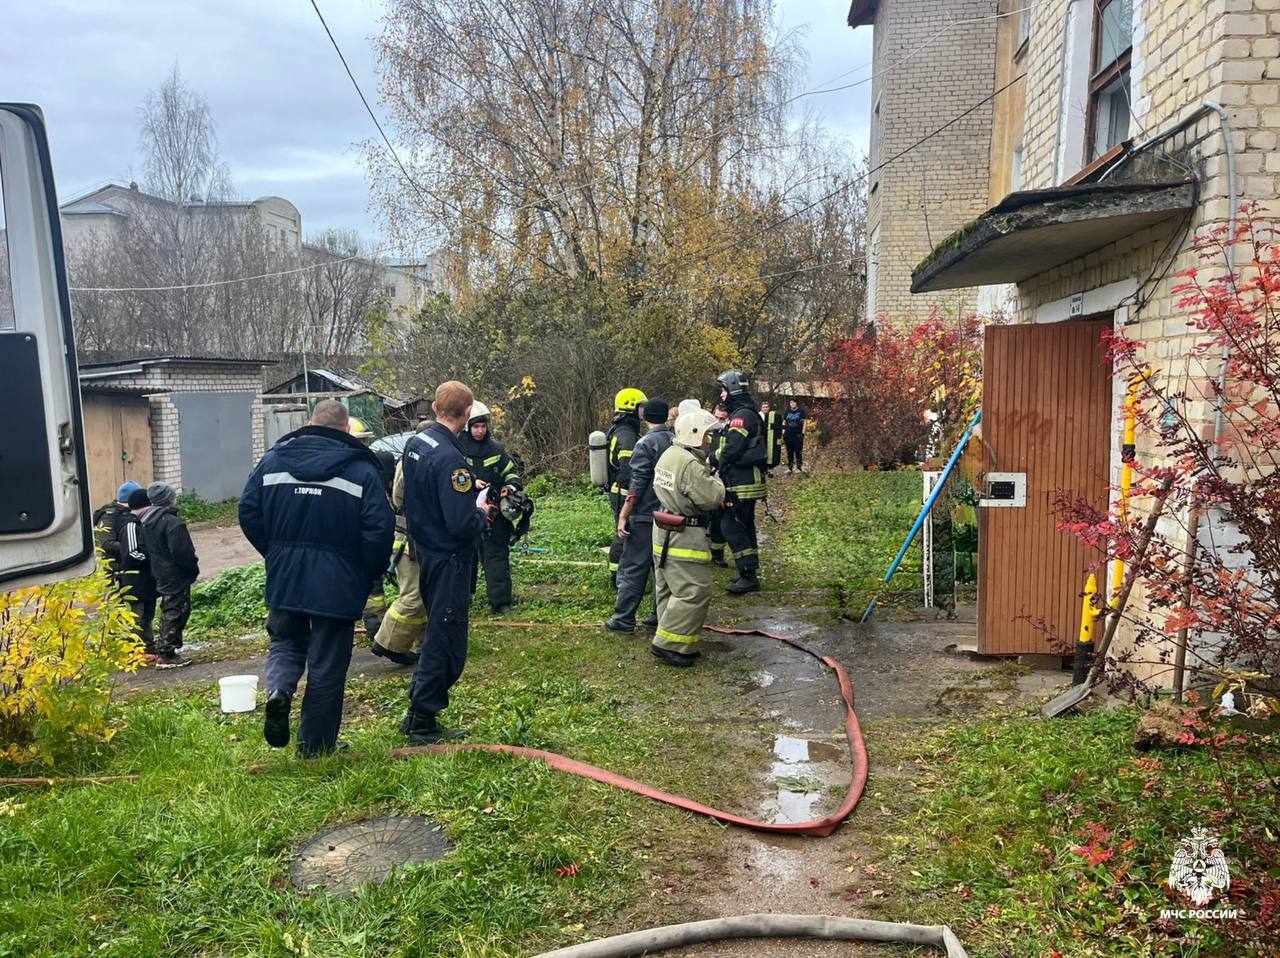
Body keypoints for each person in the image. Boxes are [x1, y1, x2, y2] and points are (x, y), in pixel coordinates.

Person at [239, 399, 395, 757]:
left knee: (285, 641)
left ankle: (279, 692)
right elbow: (378, 531)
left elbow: (248, 511)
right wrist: (364, 574)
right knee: (327, 663)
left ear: (309, 422)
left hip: (286, 576)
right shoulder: (361, 470)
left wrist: (277, 552)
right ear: (345, 429)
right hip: (337, 583)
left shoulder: (273, 460)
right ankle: (315, 746)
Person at [400, 381, 489, 745]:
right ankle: (423, 719)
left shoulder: (417, 443)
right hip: (449, 558)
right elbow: (460, 523)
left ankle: (416, 710)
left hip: (424, 550)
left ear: (436, 407)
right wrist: (481, 512)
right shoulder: (452, 459)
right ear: (467, 414)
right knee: (445, 638)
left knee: (438, 629)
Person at [650, 409, 725, 666]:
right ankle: (668, 645)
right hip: (685, 534)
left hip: (663, 530)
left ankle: (678, 642)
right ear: (694, 434)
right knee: (694, 591)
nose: (709, 440)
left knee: (668, 589)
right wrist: (718, 482)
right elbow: (711, 497)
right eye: (706, 435)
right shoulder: (689, 463)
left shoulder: (669, 455)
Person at [605, 398, 672, 634]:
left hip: (644, 516)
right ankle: (658, 615)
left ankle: (623, 619)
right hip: (668, 516)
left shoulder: (646, 444)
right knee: (661, 569)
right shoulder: (674, 440)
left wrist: (624, 513)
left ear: (644, 416)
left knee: (633, 566)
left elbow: (637, 483)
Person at [372, 420, 434, 667]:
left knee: (425, 595)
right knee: (413, 596)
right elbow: (399, 499)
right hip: (409, 540)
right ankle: (387, 643)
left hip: (420, 540)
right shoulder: (408, 463)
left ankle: (421, 646)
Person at [457, 401, 523, 615]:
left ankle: (501, 601)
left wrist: (510, 486)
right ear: (468, 426)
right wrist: (471, 482)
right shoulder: (457, 448)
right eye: (475, 426)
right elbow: (452, 474)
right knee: (464, 556)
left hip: (493, 512)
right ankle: (462, 597)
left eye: (483, 426)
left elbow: (512, 471)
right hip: (464, 510)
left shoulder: (496, 449)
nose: (479, 431)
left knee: (496, 555)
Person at [711, 370, 767, 594]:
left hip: (741, 482)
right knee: (744, 524)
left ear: (733, 389)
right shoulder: (745, 413)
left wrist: (712, 457)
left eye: (724, 390)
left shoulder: (742, 416)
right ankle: (747, 571)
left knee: (731, 524)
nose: (722, 395)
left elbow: (731, 448)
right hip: (743, 480)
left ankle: (748, 575)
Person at [138, 482, 199, 668]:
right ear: (168, 499)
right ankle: (166, 651)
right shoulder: (172, 523)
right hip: (175, 573)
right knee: (176, 610)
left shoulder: (146, 521)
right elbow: (183, 552)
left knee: (172, 608)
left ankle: (167, 647)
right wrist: (192, 568)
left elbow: (143, 547)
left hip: (159, 571)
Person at [606, 388, 647, 587]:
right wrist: (637, 491)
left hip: (621, 489)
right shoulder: (627, 434)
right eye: (641, 406)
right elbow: (628, 469)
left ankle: (620, 574)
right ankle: (617, 577)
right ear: (631, 407)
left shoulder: (623, 429)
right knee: (624, 532)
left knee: (624, 531)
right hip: (624, 490)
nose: (643, 411)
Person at [118, 487, 158, 659]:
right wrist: (153, 560)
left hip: (146, 580)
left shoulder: (142, 523)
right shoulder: (130, 525)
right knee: (136, 617)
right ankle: (133, 651)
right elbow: (131, 553)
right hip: (135, 581)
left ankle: (149, 646)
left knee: (148, 615)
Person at [93, 480, 142, 579]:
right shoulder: (108, 516)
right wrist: (131, 548)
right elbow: (107, 544)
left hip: (134, 567)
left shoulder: (132, 512)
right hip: (116, 570)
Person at [707, 404, 730, 568]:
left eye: (722, 418)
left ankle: (717, 554)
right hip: (703, 477)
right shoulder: (705, 430)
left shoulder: (731, 433)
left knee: (718, 517)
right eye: (717, 417)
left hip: (722, 478)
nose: (719, 421)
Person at [783, 398, 807, 473]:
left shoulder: (801, 411)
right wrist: (783, 431)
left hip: (798, 434)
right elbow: (784, 421)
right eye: (791, 403)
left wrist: (803, 433)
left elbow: (805, 422)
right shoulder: (787, 411)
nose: (792, 404)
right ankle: (790, 468)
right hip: (788, 434)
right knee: (789, 451)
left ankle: (799, 467)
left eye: (793, 402)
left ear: (796, 403)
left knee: (798, 451)